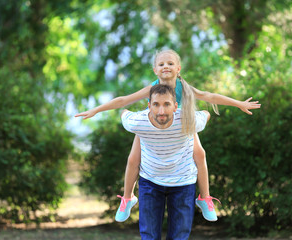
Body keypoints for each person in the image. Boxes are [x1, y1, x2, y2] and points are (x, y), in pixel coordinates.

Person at [75, 49, 261, 222]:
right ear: (155, 70)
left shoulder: (184, 87)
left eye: (170, 63)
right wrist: (96, 110)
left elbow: (209, 96)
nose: (166, 66)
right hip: (154, 127)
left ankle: (205, 198)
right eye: (162, 64)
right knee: (133, 159)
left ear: (178, 69)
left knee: (200, 154)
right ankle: (127, 198)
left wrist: (238, 103)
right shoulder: (151, 89)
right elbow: (124, 100)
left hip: (180, 129)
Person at [121, 84, 210, 239]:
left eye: (166, 104)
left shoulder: (188, 120)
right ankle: (127, 199)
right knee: (149, 235)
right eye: (156, 105)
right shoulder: (137, 122)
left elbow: (206, 113)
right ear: (149, 106)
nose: (161, 111)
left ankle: (206, 198)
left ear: (175, 106)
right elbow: (124, 112)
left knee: (179, 236)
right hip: (150, 181)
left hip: (183, 182)